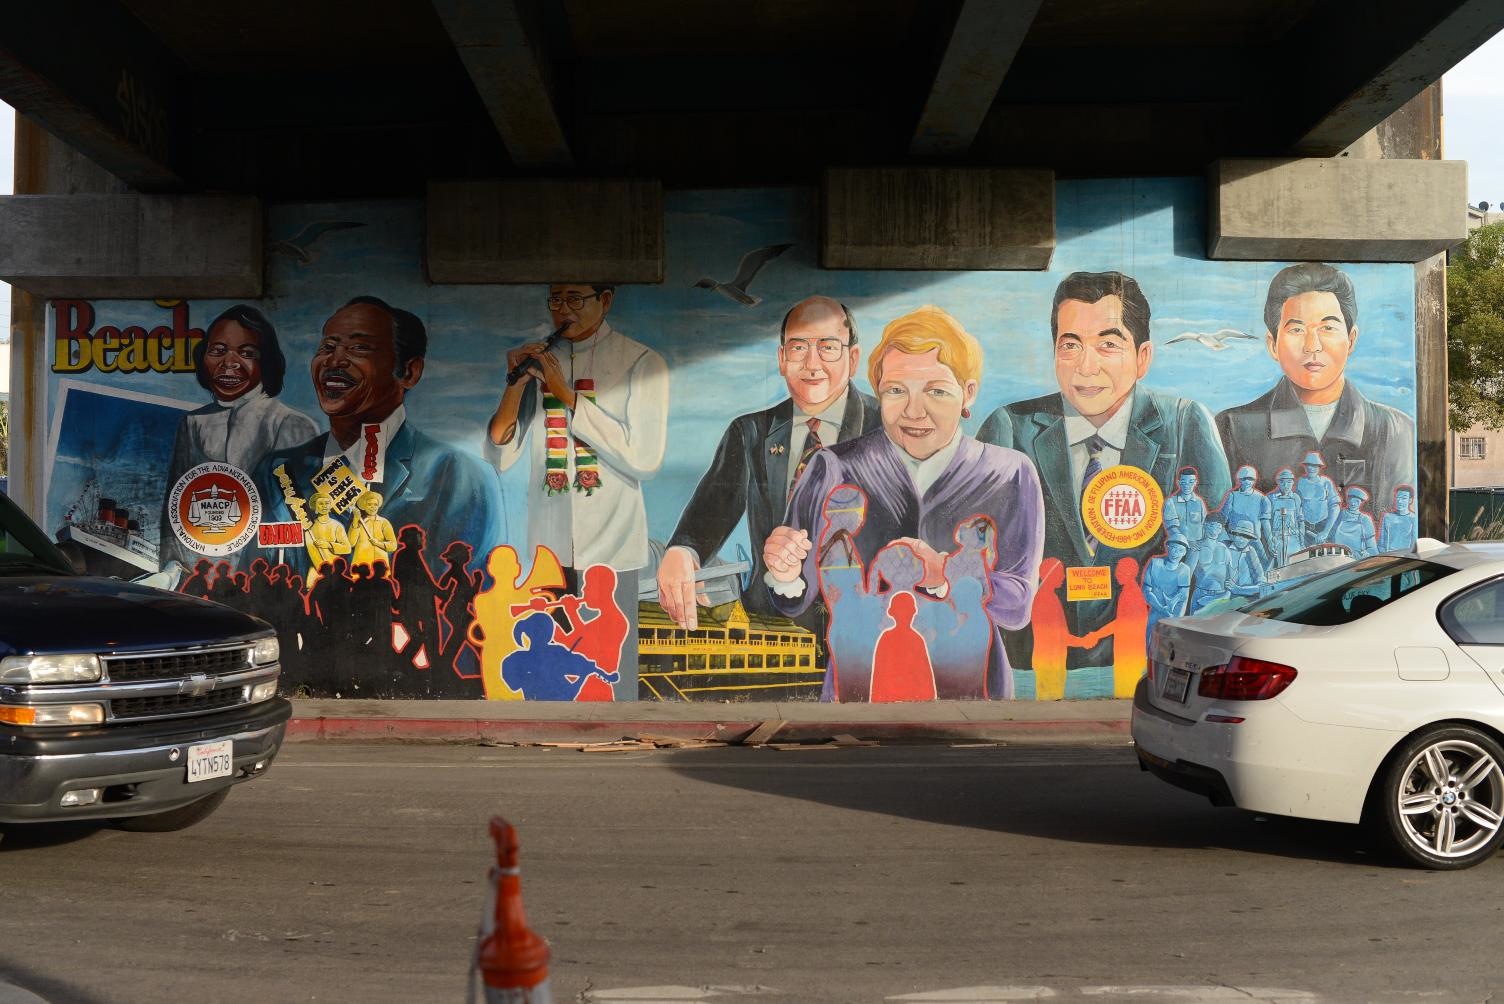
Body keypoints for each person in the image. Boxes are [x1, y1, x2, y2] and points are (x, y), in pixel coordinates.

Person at [762, 305, 1045, 699]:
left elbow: (1018, 608)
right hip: (858, 694)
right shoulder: (834, 467)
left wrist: (946, 573)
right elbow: (795, 600)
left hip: (974, 697)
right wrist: (785, 571)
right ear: (878, 391)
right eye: (896, 390)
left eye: (936, 391)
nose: (914, 411)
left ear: (968, 393)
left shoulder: (1009, 473)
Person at [977, 271, 1230, 669]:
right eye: (1070, 345)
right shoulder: (1009, 427)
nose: (1086, 366)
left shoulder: (1185, 423)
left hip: (1152, 658)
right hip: (1034, 658)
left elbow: (1216, 543)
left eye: (1108, 344)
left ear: (1142, 357)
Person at [485, 283, 668, 697]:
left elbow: (645, 458)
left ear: (606, 300)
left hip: (611, 544)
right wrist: (515, 384)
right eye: (555, 300)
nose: (563, 310)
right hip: (549, 542)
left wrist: (566, 394)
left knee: (608, 667)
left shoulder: (643, 362)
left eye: (574, 299)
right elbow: (500, 451)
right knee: (550, 661)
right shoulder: (541, 361)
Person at [659, 296, 880, 631]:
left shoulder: (887, 426)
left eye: (828, 347)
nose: (812, 363)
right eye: (798, 348)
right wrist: (682, 552)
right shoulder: (750, 432)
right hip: (770, 624)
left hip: (863, 624)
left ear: (852, 359)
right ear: (781, 359)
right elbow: (710, 511)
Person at [255, 296, 505, 578]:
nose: (334, 360)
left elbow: (474, 588)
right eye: (328, 347)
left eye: (359, 348)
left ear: (409, 372)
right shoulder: (277, 472)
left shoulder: (461, 475)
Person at [1215, 262, 1416, 518]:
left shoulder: (1394, 430)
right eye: (1296, 329)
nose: (1313, 345)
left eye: (1328, 328)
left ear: (1351, 339)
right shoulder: (1232, 428)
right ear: (1273, 344)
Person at [161, 304, 318, 575]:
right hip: (198, 576)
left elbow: (300, 521)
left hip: (264, 577)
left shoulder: (292, 424)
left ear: (265, 362)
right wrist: (173, 571)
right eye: (217, 351)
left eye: (247, 353)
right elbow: (174, 512)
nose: (229, 363)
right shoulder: (192, 423)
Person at [1218, 465, 1275, 567]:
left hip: (1253, 540)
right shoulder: (1232, 496)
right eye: (1244, 479)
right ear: (1239, 479)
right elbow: (1223, 519)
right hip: (1234, 540)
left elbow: (1265, 523)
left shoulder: (1262, 499)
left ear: (1254, 480)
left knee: (1263, 566)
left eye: (1250, 479)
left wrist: (1270, 542)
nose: (1247, 481)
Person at [1295, 451, 1341, 545]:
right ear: (1305, 466)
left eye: (1314, 466)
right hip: (1304, 527)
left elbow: (1335, 507)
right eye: (1308, 465)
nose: (1311, 468)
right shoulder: (1299, 482)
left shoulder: (1326, 482)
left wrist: (1326, 531)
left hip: (1324, 526)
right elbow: (1295, 505)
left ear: (1319, 467)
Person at [1268, 468, 1305, 567]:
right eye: (1282, 482)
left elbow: (1300, 521)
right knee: (1281, 566)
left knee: (1295, 565)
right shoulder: (1271, 498)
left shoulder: (1296, 498)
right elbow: (1267, 523)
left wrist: (1302, 543)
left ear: (1293, 482)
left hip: (1293, 538)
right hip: (1277, 538)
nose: (1285, 485)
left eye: (1289, 482)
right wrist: (1270, 541)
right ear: (1278, 482)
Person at [1331, 486, 1378, 559]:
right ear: (1347, 500)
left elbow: (1372, 548)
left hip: (1355, 559)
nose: (1353, 504)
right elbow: (1330, 536)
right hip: (1337, 556)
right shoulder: (1339, 515)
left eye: (1356, 501)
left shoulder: (1365, 519)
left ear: (1361, 502)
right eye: (1351, 500)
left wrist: (1367, 553)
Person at [1380, 485, 1418, 552]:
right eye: (1398, 497)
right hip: (1388, 554)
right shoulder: (1387, 517)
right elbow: (1381, 541)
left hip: (1405, 555)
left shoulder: (1413, 519)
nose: (1400, 501)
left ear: (1410, 500)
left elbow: (1414, 543)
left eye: (1404, 498)